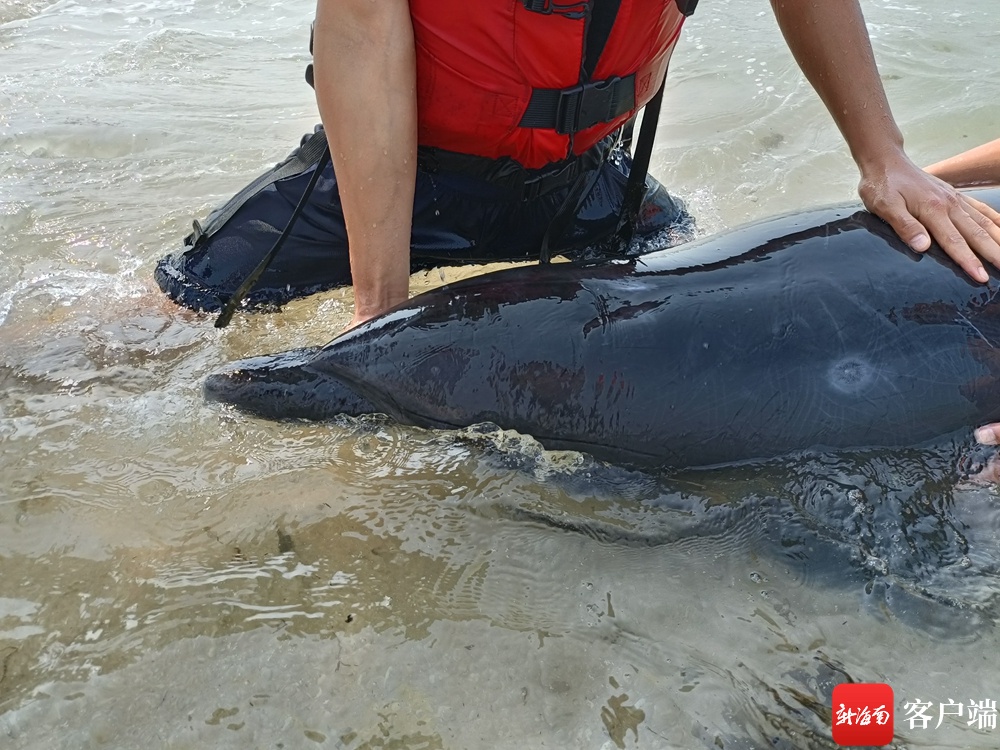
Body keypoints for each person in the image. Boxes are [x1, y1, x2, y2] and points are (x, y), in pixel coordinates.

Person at [155, 0, 1000, 330]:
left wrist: (885, 157)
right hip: (405, 176)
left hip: (586, 178)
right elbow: (363, 33)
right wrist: (383, 313)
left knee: (696, 296)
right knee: (169, 323)